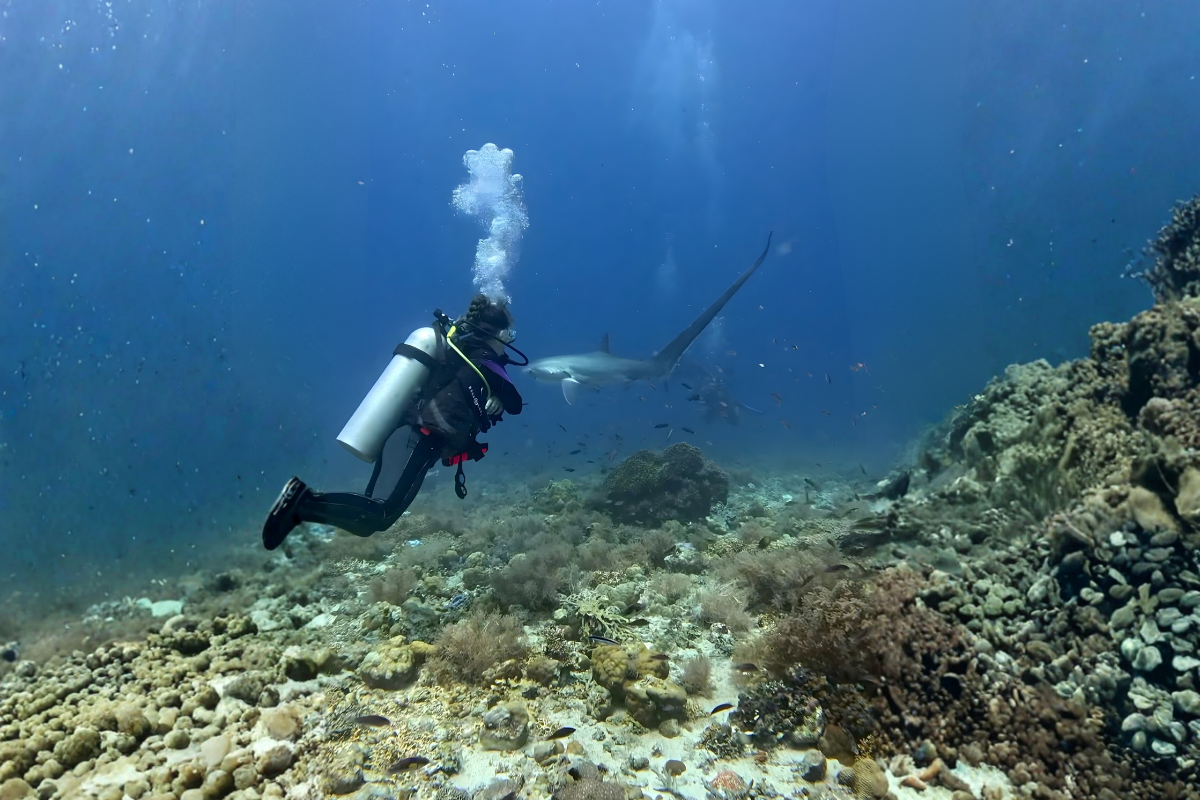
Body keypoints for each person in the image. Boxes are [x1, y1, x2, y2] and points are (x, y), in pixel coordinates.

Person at [262, 294, 524, 550]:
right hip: (418, 441)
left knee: (371, 520)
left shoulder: (459, 353)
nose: (509, 341)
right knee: (380, 512)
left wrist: (493, 393)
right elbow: (515, 403)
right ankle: (301, 502)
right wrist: (499, 393)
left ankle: (299, 509)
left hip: (405, 437)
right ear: (498, 334)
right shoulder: (485, 360)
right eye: (509, 335)